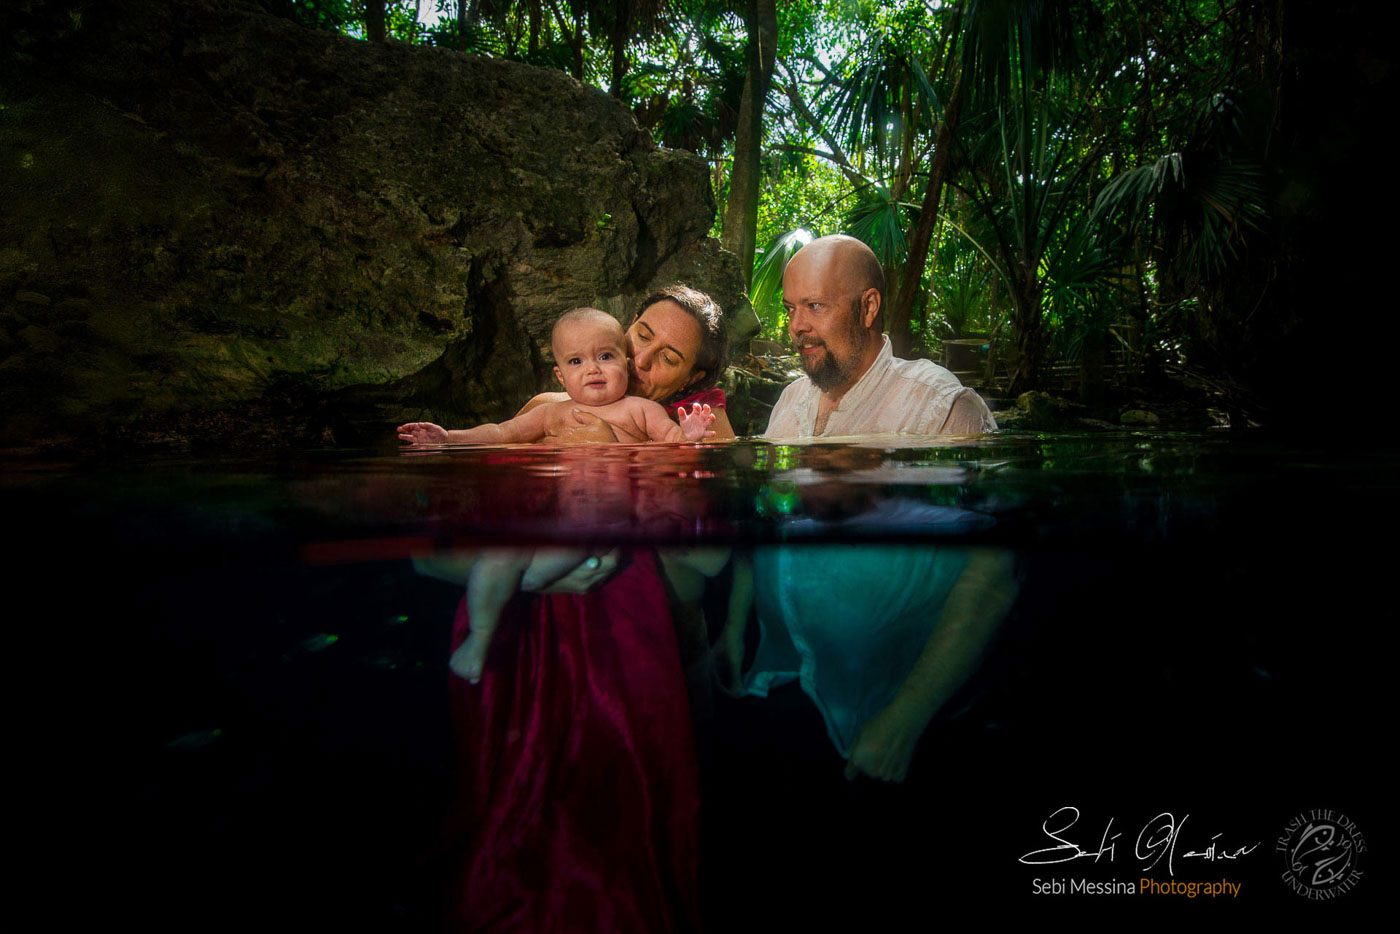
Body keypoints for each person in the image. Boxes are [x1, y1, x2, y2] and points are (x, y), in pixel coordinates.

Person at [764, 234, 996, 439]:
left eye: (815, 305)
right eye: (790, 309)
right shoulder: (790, 399)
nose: (795, 326)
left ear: (869, 308)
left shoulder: (938, 407)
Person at [396, 306, 716, 447]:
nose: (593, 368)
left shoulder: (642, 410)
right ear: (560, 377)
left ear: (623, 359)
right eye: (576, 361)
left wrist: (689, 436)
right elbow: (501, 433)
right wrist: (449, 438)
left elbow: (675, 447)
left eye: (605, 357)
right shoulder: (549, 412)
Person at [518, 285, 736, 442]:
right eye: (642, 336)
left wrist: (614, 452)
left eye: (668, 358)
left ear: (691, 378)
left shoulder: (705, 424)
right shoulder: (545, 408)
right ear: (631, 323)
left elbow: (718, 498)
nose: (640, 360)